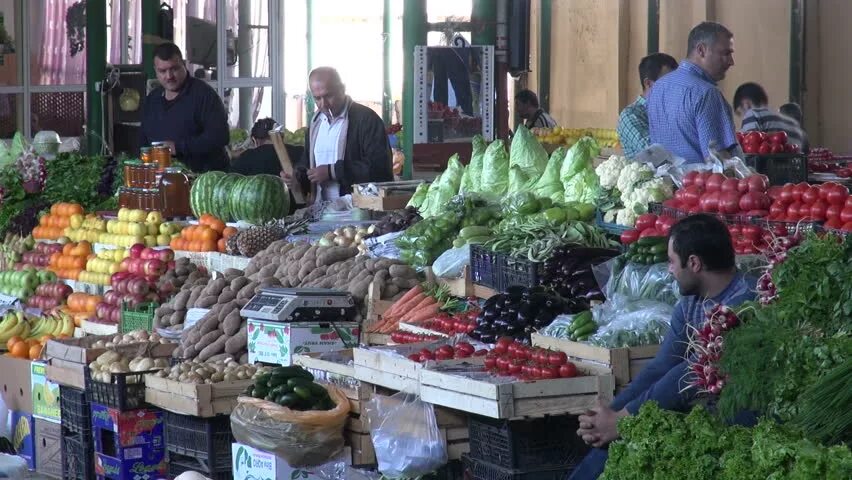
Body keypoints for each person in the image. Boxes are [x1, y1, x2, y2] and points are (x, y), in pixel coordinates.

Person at [568, 214, 757, 480]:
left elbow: (691, 372)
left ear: (694, 263)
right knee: (611, 446)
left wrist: (624, 419)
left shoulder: (745, 303)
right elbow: (662, 365)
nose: (669, 270)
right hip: (694, 407)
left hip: (737, 418)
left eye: (671, 262)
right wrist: (608, 416)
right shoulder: (691, 302)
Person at [283, 67, 393, 202]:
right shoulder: (315, 124)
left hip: (358, 212)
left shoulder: (366, 119)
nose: (324, 104)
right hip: (321, 212)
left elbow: (380, 168)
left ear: (342, 89)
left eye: (328, 96)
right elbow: (307, 164)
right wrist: (297, 177)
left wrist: (332, 172)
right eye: (317, 98)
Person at [647, 22, 739, 163]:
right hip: (699, 184)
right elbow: (718, 160)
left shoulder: (657, 88)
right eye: (725, 53)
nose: (731, 62)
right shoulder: (706, 93)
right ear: (701, 50)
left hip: (663, 182)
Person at [139, 42, 229, 172]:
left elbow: (220, 136)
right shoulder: (152, 100)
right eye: (162, 71)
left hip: (203, 178)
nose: (169, 76)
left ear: (184, 65)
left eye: (174, 69)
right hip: (162, 179)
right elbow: (143, 140)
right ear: (155, 71)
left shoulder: (204, 95)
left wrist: (178, 147)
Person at [617, 53, 679, 158]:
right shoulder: (630, 116)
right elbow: (654, 152)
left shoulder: (673, 110)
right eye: (669, 83)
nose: (675, 88)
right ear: (648, 83)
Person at [732, 83, 808, 153]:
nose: (742, 117)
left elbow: (749, 151)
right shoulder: (794, 125)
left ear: (746, 104)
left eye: (740, 113)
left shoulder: (753, 115)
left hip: (763, 167)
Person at [229, 118, 299, 176]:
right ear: (281, 137)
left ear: (254, 140)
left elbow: (231, 180)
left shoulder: (247, 157)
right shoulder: (299, 152)